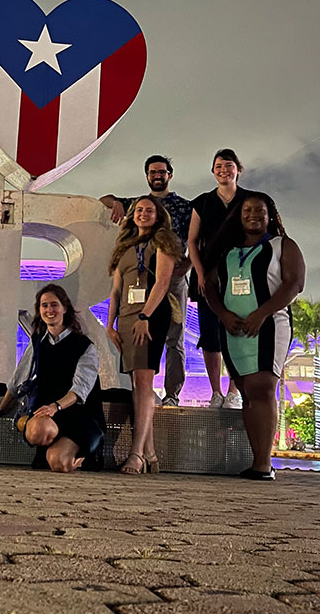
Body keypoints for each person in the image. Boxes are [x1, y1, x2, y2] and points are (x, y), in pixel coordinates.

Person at [204, 193, 305, 480]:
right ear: (238, 215)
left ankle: (264, 464)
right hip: (233, 330)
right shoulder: (227, 251)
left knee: (262, 388)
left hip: (269, 327)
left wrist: (261, 313)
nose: (253, 215)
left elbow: (294, 283)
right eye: (247, 210)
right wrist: (222, 313)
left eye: (260, 210)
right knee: (247, 393)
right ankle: (257, 461)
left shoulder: (282, 245)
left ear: (270, 215)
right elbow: (209, 286)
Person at [100, 155, 192, 406]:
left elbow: (197, 238)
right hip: (139, 281)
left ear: (170, 175)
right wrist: (117, 203)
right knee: (138, 336)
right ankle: (143, 392)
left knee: (175, 337)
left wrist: (188, 264)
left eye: (162, 171)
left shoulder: (184, 206)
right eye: (152, 172)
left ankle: (172, 394)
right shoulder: (139, 204)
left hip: (170, 279)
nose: (157, 175)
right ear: (147, 176)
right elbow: (103, 200)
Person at [0, 284, 105, 473]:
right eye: (45, 305)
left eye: (54, 305)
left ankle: (85, 456)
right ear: (39, 310)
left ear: (65, 308)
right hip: (49, 418)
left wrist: (55, 406)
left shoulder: (84, 346)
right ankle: (52, 446)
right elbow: (18, 381)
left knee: (59, 464)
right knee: (37, 431)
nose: (50, 310)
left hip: (80, 417)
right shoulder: (38, 342)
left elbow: (79, 390)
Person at [106, 196, 182, 474]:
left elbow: (162, 282)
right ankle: (150, 454)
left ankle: (136, 454)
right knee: (137, 386)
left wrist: (145, 316)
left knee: (144, 383)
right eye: (138, 210)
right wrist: (110, 324)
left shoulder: (163, 241)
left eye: (149, 210)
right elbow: (116, 290)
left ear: (158, 215)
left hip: (149, 316)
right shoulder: (125, 246)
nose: (143, 214)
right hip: (126, 318)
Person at [188, 149, 249, 409]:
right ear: (213, 171)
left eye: (229, 165)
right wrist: (200, 272)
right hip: (208, 278)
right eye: (218, 166)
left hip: (242, 277)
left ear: (238, 169)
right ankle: (215, 392)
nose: (224, 170)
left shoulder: (250, 200)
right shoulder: (202, 202)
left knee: (237, 332)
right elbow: (192, 240)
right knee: (210, 335)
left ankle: (234, 392)